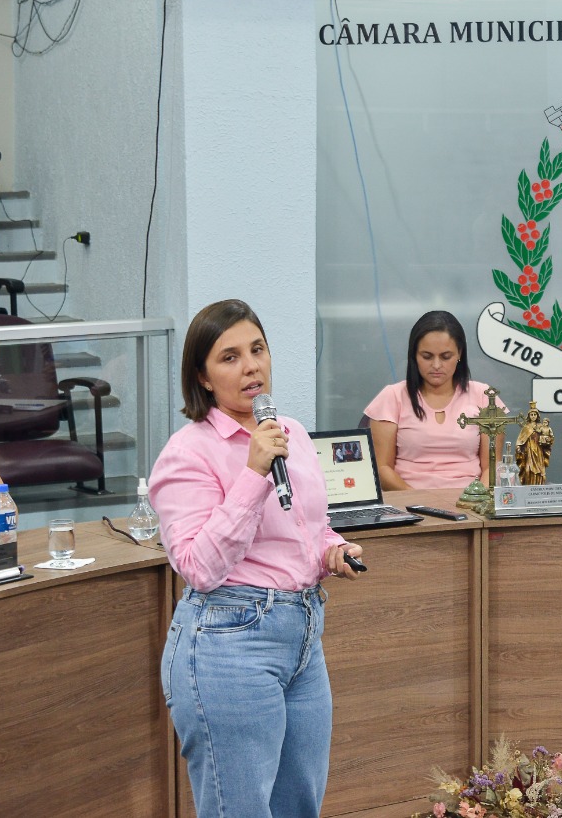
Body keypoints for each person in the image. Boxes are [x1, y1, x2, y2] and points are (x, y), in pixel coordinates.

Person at [151, 299, 365, 818]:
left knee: (300, 806)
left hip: (304, 640)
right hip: (229, 644)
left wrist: (332, 550)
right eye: (230, 357)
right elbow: (198, 567)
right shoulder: (187, 452)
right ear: (202, 377)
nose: (251, 367)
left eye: (258, 349)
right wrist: (253, 475)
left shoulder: (291, 432)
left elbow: (307, 525)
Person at [364, 311, 493, 490]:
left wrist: (477, 501)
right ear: (414, 355)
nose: (436, 365)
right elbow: (382, 468)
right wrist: (419, 501)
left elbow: (491, 468)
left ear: (459, 354)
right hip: (409, 501)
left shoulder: (485, 397)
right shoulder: (392, 397)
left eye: (446, 357)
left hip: (471, 501)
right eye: (427, 356)